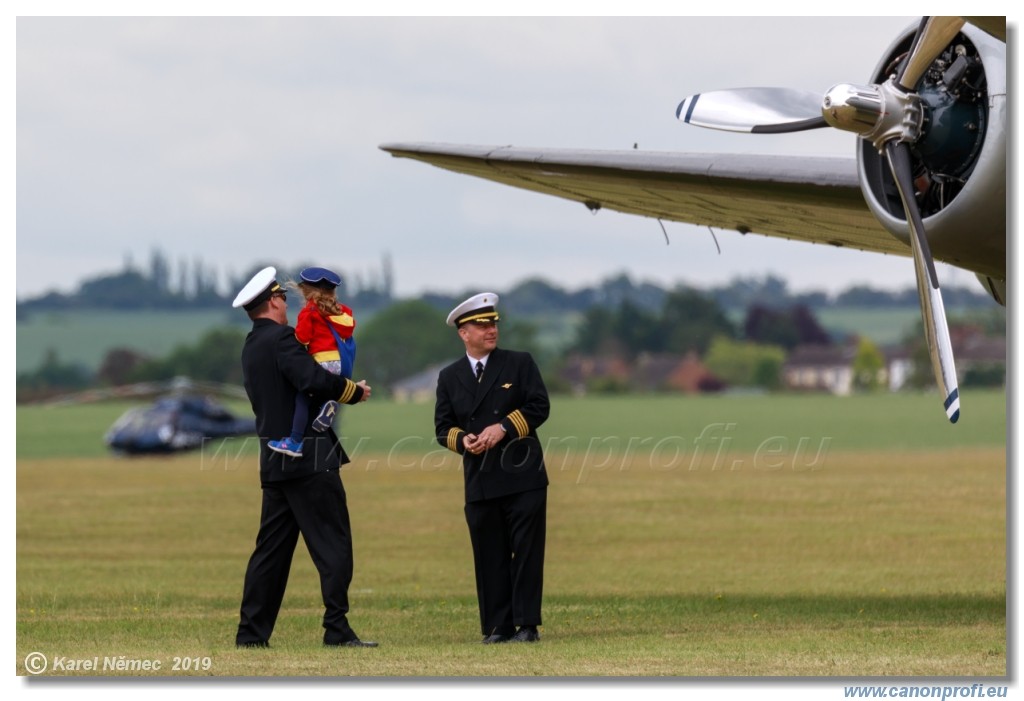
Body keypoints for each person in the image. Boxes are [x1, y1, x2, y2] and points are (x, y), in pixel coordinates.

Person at [231, 266, 377, 649]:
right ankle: (336, 628)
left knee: (271, 553)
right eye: (282, 298)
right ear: (275, 301)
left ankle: (251, 635)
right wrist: (351, 391)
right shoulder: (282, 339)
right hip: (310, 458)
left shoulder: (251, 345)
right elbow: (311, 380)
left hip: (274, 460)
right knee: (334, 545)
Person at [433, 292, 550, 644]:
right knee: (489, 554)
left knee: (527, 551)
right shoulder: (449, 376)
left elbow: (539, 406)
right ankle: (498, 627)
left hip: (523, 474)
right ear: (462, 332)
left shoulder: (519, 363)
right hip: (480, 479)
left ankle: (527, 625)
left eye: (493, 323)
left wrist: (503, 428)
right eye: (481, 325)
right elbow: (442, 428)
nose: (490, 330)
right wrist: (463, 441)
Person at [267, 266, 356, 458]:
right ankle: (330, 404)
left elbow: (303, 338)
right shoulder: (343, 311)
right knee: (325, 391)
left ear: (306, 292)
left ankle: (295, 441)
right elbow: (348, 330)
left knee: (303, 398)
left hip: (322, 362)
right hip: (340, 364)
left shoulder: (309, 312)